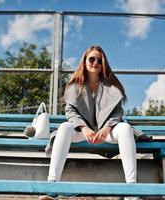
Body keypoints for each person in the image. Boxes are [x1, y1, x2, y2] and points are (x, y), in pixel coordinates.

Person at [46, 45, 138, 185]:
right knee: (64, 127)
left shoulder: (111, 85)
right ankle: (51, 186)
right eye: (92, 59)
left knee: (125, 128)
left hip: (106, 132)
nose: (95, 62)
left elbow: (118, 111)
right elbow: (70, 111)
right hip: (83, 132)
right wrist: (84, 128)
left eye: (100, 60)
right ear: (84, 61)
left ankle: (132, 189)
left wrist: (107, 128)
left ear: (103, 64)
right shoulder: (75, 85)